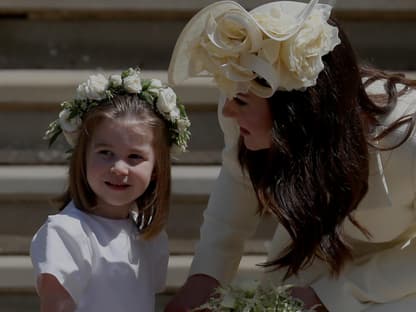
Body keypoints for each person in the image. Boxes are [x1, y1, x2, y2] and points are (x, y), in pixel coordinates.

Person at [165, 1, 416, 311]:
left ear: (297, 112)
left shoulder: (408, 142)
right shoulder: (239, 105)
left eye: (241, 101)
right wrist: (205, 277)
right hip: (310, 256)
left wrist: (333, 293)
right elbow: (238, 182)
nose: (228, 110)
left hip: (399, 277)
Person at [30, 68, 191, 312]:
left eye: (134, 156)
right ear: (82, 156)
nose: (118, 168)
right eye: (105, 153)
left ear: (157, 168)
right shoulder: (67, 233)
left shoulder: (147, 235)